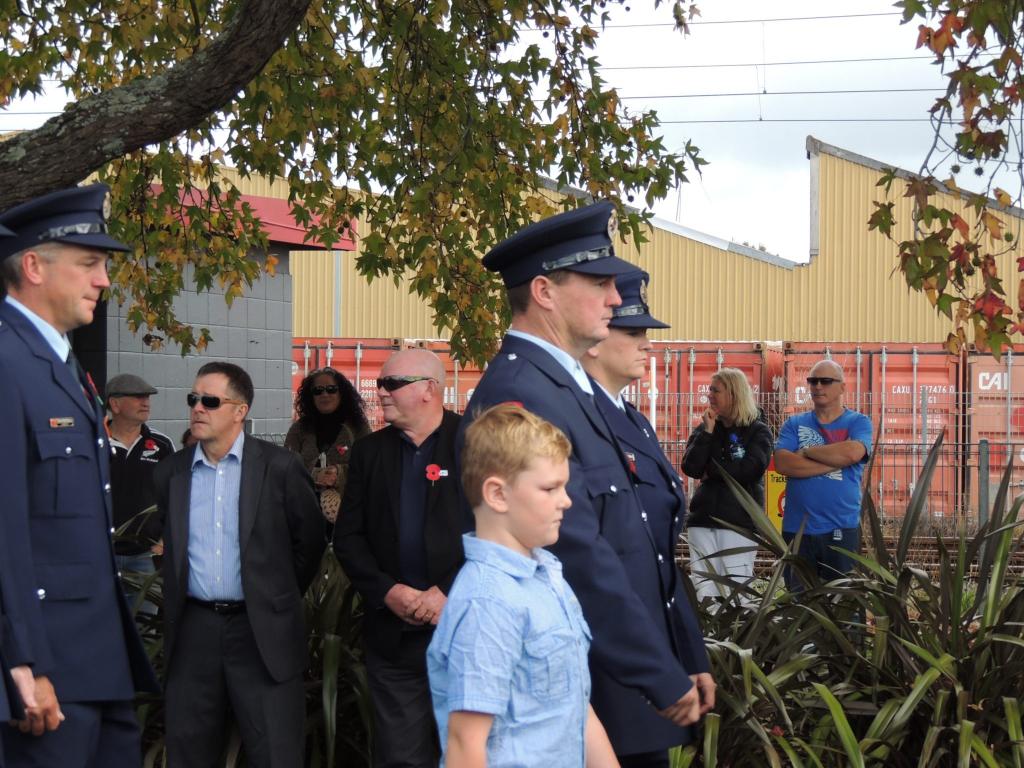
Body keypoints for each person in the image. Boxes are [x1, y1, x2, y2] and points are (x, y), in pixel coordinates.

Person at [461, 202, 713, 768]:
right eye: (599, 283)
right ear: (544, 292)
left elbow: (641, 543)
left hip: (612, 685)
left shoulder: (566, 388)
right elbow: (574, 549)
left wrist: (680, 654)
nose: (616, 299)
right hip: (582, 691)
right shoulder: (524, 392)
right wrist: (656, 670)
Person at [0, 183, 159, 767]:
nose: (104, 280)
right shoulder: (8, 363)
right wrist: (22, 662)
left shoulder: (59, 363)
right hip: (48, 668)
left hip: (96, 662)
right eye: (89, 263)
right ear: (34, 266)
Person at [152, 361, 325, 767]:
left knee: (275, 752)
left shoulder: (279, 467)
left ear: (240, 411)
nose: (198, 408)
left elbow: (310, 543)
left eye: (210, 401)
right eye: (193, 399)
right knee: (189, 751)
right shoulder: (171, 472)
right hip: (194, 630)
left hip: (261, 631)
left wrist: (273, 596)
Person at [428, 404, 619, 767]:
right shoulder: (487, 602)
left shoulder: (548, 576)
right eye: (550, 488)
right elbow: (465, 744)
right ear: (497, 495)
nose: (566, 500)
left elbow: (577, 710)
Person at [334, 348, 464, 768]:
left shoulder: (475, 442)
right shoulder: (369, 452)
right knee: (401, 757)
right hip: (395, 639)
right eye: (379, 384)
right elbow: (348, 538)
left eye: (392, 383)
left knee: (470, 754)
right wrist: (388, 592)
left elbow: (500, 533)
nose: (381, 392)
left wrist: (448, 593)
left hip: (467, 633)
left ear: (429, 389)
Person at [773, 359, 873, 588]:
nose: (818, 386)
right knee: (798, 601)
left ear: (842, 387)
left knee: (841, 601)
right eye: (813, 381)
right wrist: (835, 462)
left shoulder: (858, 422)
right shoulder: (794, 423)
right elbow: (783, 463)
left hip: (841, 527)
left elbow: (853, 452)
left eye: (826, 381)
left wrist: (807, 451)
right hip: (797, 530)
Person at [681, 368, 774, 604]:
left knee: (737, 588)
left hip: (739, 522)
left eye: (715, 391)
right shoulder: (706, 427)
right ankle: (708, 628)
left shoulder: (758, 430)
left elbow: (750, 470)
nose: (709, 395)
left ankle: (738, 628)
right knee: (704, 587)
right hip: (703, 519)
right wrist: (707, 433)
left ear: (733, 393)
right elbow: (691, 467)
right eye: (710, 390)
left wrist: (711, 470)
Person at [105, 373, 175, 590]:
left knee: (146, 612)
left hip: (145, 556)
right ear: (115, 404)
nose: (146, 403)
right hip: (101, 555)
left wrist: (165, 539)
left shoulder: (161, 445)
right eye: (138, 397)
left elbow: (177, 496)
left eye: (147, 397)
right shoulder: (94, 442)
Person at [285, 367, 371, 525]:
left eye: (331, 389)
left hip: (348, 515)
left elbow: (369, 468)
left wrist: (339, 474)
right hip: (304, 516)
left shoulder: (358, 427)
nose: (324, 394)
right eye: (318, 391)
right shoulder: (300, 428)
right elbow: (285, 468)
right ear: (311, 396)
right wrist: (313, 474)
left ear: (341, 393)